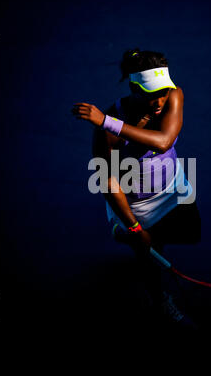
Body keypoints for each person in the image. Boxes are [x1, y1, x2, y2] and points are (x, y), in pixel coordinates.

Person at [71, 48, 201, 325]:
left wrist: (108, 122)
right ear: (133, 88)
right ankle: (158, 300)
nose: (159, 100)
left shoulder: (173, 96)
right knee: (148, 254)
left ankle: (146, 246)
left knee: (190, 231)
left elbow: (165, 140)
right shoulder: (105, 131)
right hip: (136, 204)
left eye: (163, 91)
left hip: (173, 189)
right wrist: (133, 227)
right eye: (150, 93)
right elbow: (107, 180)